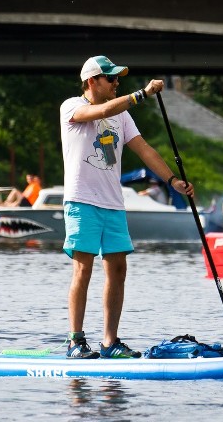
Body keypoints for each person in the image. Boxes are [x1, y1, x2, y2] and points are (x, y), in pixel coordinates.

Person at [60, 55, 194, 359]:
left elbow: (144, 150)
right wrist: (143, 94)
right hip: (82, 200)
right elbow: (103, 109)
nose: (116, 82)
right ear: (92, 81)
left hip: (113, 204)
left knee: (118, 270)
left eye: (118, 78)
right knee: (84, 269)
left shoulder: (122, 117)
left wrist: (173, 180)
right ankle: (75, 341)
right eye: (111, 78)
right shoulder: (71, 106)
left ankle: (110, 342)